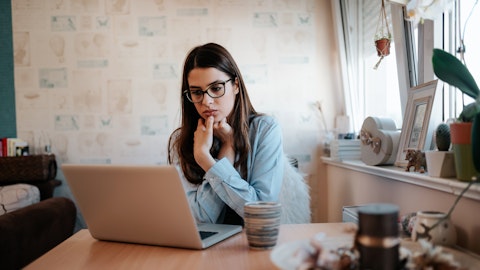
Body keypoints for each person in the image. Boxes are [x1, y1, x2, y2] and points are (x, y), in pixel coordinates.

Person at [168, 43, 286, 225]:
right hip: (204, 249)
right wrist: (227, 150)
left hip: (253, 243)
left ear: (236, 86)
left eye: (216, 88)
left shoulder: (265, 130)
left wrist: (206, 160)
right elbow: (200, 218)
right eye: (197, 92)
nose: (207, 101)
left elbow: (261, 212)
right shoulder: (181, 140)